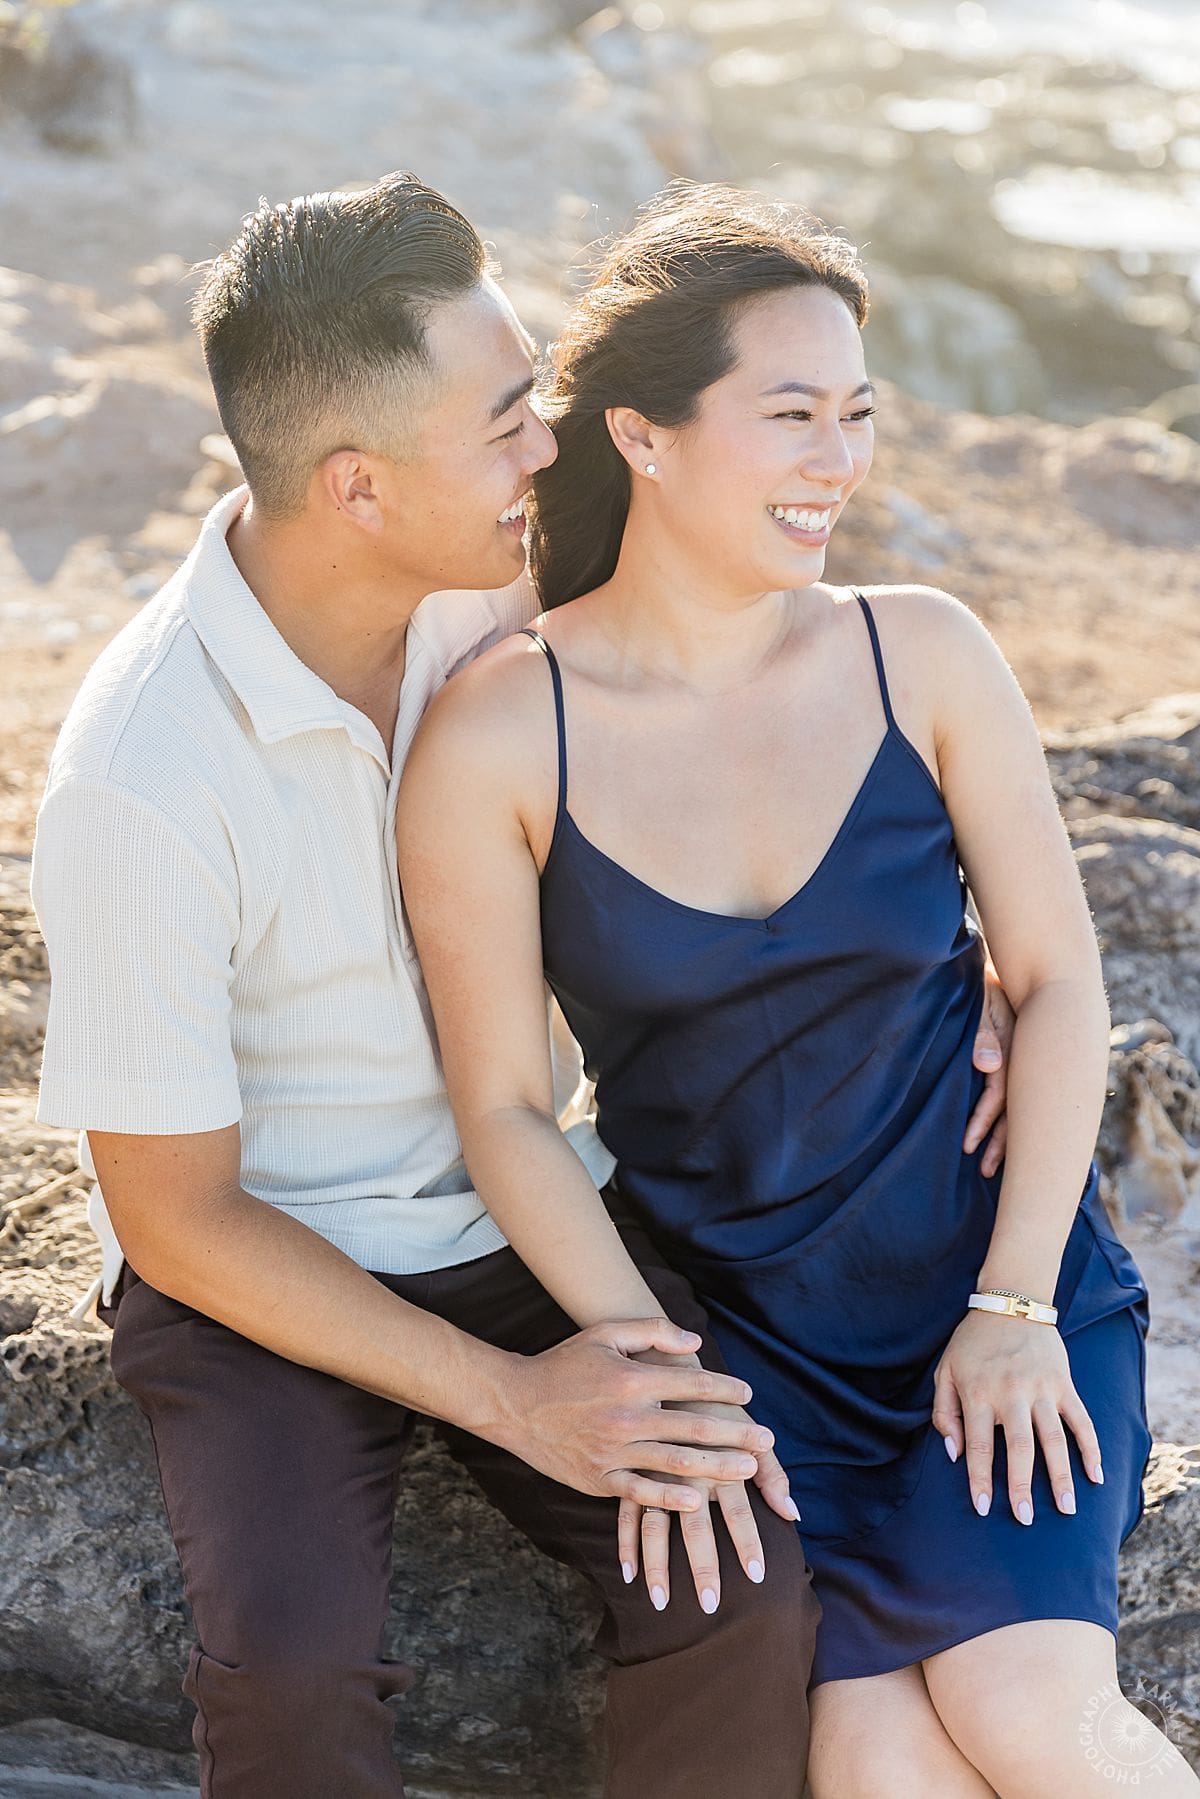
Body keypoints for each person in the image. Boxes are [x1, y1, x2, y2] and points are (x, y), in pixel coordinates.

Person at [27, 170, 1012, 1799]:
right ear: (356, 485)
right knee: (293, 1682)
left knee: (741, 1580)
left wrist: (952, 975)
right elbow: (176, 1218)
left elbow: (726, 700)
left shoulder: (495, 581)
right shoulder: (143, 776)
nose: (546, 451)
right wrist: (515, 1404)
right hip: (269, 1270)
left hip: (538, 1207)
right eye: (503, 426)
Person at [397, 184, 1186, 1799]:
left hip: (997, 1286)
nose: (841, 459)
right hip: (752, 1344)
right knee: (873, 1760)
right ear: (644, 435)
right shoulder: (502, 730)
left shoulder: (922, 652)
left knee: (1026, 1708)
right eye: (793, 414)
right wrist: (652, 1366)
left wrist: (1017, 1310)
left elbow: (1056, 984)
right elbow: (507, 1111)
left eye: (859, 414)